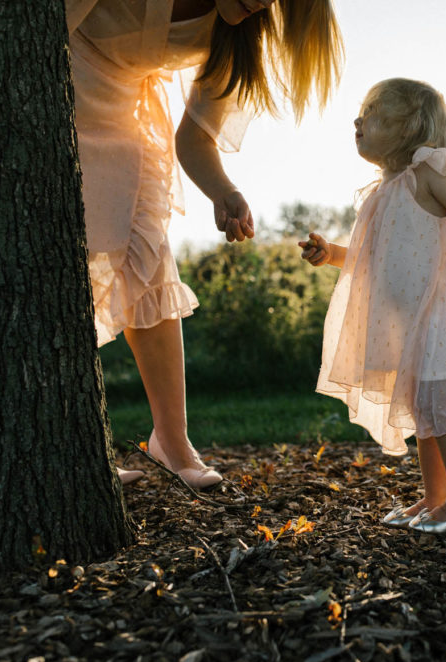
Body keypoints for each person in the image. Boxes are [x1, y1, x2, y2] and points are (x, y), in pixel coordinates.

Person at [64, 0, 343, 487]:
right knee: (64, 269)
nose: (260, 3)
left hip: (127, 117)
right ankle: (69, 446)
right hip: (58, 90)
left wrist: (225, 191)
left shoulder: (239, 39)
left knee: (151, 265)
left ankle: (172, 443)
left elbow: (195, 138)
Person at [298, 78, 446, 534]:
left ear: (410, 124)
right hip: (410, 326)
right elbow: (370, 261)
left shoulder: (431, 172)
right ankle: (438, 499)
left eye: (372, 112)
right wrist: (331, 253)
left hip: (439, 318)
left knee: (441, 409)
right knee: (424, 410)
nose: (359, 120)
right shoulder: (384, 192)